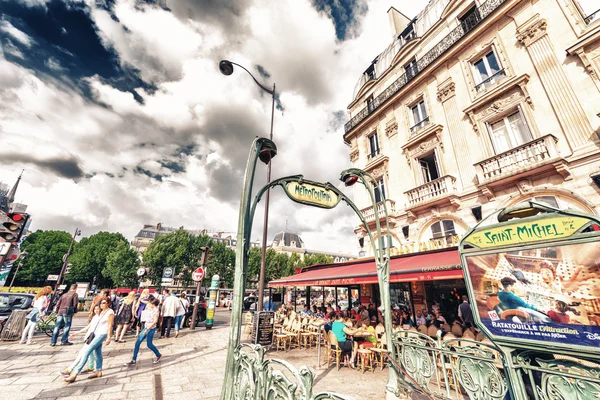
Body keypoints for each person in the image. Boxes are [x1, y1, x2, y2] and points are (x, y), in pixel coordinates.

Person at [64, 297, 114, 382]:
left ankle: (75, 373)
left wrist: (109, 337)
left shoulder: (110, 312)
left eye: (104, 303)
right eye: (101, 303)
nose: (102, 304)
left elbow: (110, 325)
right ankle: (98, 371)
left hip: (102, 334)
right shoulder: (102, 312)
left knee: (86, 352)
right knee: (98, 353)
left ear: (108, 303)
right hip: (96, 334)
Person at [61, 305, 101, 376]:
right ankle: (91, 367)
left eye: (98, 309)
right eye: (95, 309)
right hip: (89, 337)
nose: (96, 311)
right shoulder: (95, 317)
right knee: (90, 353)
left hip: (93, 338)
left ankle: (70, 369)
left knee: (82, 354)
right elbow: (88, 327)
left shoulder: (100, 318)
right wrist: (77, 333)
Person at [124, 297, 162, 366]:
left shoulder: (156, 310)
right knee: (137, 343)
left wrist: (147, 329)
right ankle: (133, 359)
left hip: (150, 329)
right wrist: (141, 299)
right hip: (146, 327)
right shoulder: (151, 307)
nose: (148, 304)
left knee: (149, 344)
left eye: (150, 303)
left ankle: (158, 355)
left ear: (153, 304)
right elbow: (146, 302)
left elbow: (155, 321)